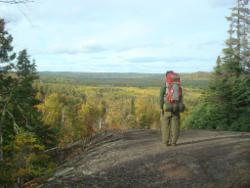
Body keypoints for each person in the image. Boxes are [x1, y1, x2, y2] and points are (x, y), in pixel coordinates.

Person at [159, 71, 184, 146]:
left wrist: (161, 108)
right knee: (175, 125)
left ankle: (165, 143)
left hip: (167, 108)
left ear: (166, 77)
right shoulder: (179, 87)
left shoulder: (164, 86)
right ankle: (173, 142)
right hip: (176, 108)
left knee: (165, 125)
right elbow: (181, 98)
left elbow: (160, 98)